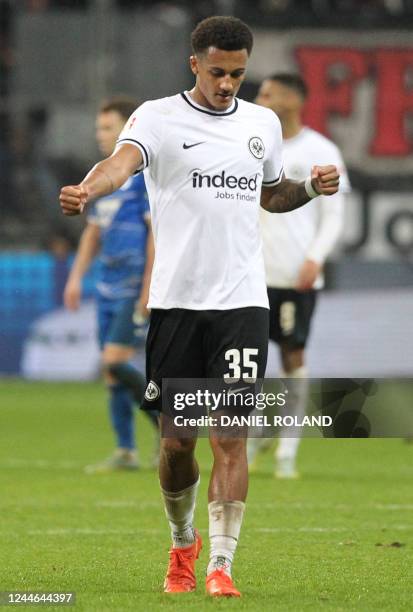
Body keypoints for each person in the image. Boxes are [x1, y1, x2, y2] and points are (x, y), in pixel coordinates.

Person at [59, 16, 340, 598]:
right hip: (177, 306)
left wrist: (310, 188)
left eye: (238, 73)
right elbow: (120, 164)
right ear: (195, 64)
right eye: (217, 72)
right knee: (176, 445)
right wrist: (90, 188)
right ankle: (182, 542)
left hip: (242, 304)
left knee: (230, 438)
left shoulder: (261, 123)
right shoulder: (158, 118)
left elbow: (271, 192)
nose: (228, 84)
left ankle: (221, 566)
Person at [248, 73, 350, 478]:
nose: (259, 98)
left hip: (294, 275)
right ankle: (253, 440)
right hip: (249, 275)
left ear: (292, 100)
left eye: (268, 93)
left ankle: (287, 450)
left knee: (293, 359)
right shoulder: (252, 144)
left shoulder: (321, 150)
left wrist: (316, 257)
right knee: (246, 365)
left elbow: (334, 213)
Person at [63, 96, 159, 473]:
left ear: (127, 130)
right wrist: (75, 277)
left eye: (107, 128)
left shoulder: (141, 179)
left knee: (114, 361)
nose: (100, 135)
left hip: (134, 283)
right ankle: (125, 451)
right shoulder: (100, 179)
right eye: (98, 128)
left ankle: (167, 425)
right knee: (110, 373)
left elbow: (156, 236)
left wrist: (149, 286)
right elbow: (92, 233)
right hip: (106, 285)